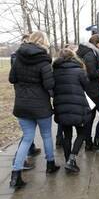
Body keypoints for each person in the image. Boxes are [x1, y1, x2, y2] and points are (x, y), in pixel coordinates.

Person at [8, 31, 60, 188]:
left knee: (27, 138)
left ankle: (15, 176)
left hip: (22, 104)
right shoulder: (44, 61)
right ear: (44, 42)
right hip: (41, 105)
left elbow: (12, 79)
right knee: (46, 135)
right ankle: (50, 165)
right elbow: (49, 85)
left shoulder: (18, 58)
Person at [53, 49, 95, 173]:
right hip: (77, 106)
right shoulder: (79, 71)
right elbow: (86, 86)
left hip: (61, 106)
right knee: (81, 133)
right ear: (73, 57)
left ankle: (68, 161)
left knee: (67, 136)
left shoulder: (54, 71)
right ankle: (72, 159)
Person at [10, 34, 41, 170]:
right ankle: (19, 161)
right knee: (28, 134)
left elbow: (12, 78)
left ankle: (30, 150)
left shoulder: (17, 56)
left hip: (22, 96)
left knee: (28, 131)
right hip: (33, 97)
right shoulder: (37, 57)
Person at [76, 34, 99, 151]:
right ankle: (97, 141)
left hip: (89, 89)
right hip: (93, 91)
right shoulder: (90, 54)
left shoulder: (89, 52)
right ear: (96, 43)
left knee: (91, 117)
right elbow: (91, 74)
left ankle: (88, 143)